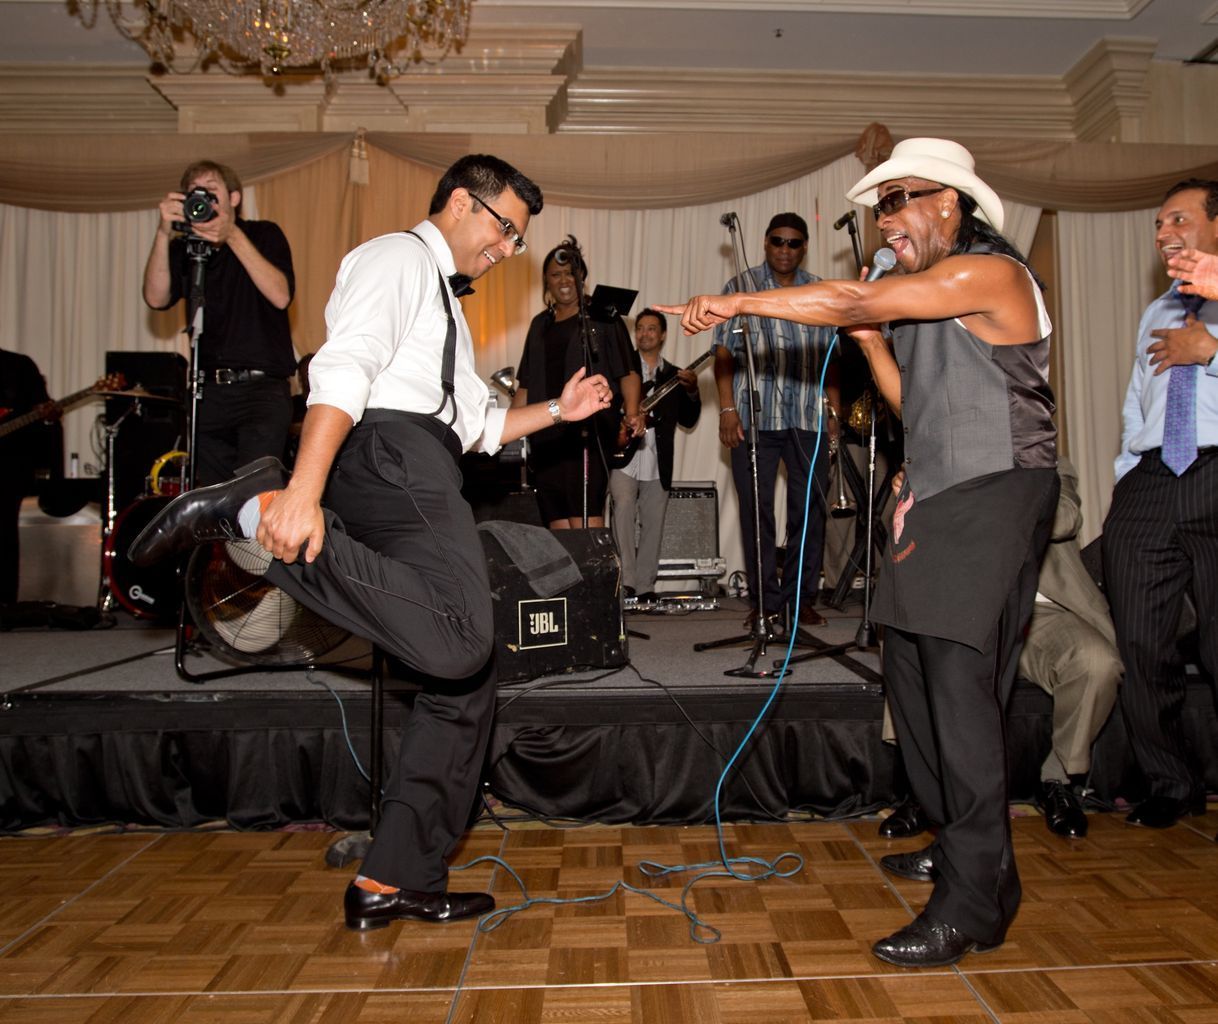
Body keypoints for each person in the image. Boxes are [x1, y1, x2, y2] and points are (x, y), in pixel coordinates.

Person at [129, 154, 615, 930]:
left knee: (466, 684)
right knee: (461, 640)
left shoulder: (447, 305)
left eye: (518, 241)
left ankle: (393, 878)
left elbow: (478, 429)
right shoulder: (396, 257)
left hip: (423, 458)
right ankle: (252, 512)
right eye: (506, 231)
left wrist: (560, 409)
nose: (508, 250)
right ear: (462, 203)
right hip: (393, 461)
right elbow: (343, 370)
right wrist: (299, 494)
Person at [659, 138, 1059, 968]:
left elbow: (841, 298)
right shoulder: (924, 296)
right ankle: (959, 846)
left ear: (949, 202)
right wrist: (876, 339)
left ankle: (977, 896)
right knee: (910, 680)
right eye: (878, 209)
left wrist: (743, 307)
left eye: (898, 201)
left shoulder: (991, 272)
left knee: (960, 693)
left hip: (997, 492)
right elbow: (917, 398)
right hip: (941, 493)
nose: (884, 222)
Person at [879, 457, 1121, 841]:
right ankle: (927, 791)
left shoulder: (1048, 461)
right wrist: (904, 496)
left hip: (1042, 612)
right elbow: (893, 527)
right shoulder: (942, 456)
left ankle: (1058, 780)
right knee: (913, 652)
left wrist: (991, 491)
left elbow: (1067, 518)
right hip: (968, 609)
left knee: (1098, 662)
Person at [1102, 179, 1218, 831]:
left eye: (1180, 217)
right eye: (1157, 223)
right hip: (1151, 476)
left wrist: (1212, 352)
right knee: (1142, 642)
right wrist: (1126, 477)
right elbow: (1136, 403)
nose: (1165, 231)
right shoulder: (1157, 311)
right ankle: (1172, 783)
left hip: (1217, 465)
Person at [712, 213, 838, 632]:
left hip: (808, 416)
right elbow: (724, 354)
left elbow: (831, 362)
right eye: (778, 241)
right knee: (756, 512)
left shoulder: (821, 292)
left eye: (794, 243)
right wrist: (728, 409)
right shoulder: (740, 288)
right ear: (766, 242)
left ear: (804, 247)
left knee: (809, 514)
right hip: (755, 418)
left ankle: (800, 602)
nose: (785, 249)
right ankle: (765, 601)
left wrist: (833, 413)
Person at [143, 160, 296, 487]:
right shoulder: (184, 247)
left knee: (255, 494)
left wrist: (231, 235)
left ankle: (251, 542)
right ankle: (220, 542)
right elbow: (156, 298)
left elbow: (281, 295)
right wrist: (162, 232)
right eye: (194, 195)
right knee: (210, 501)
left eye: (211, 192)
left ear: (234, 198)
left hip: (261, 390)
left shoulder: (263, 234)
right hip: (206, 391)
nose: (204, 202)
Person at [512, 242, 642, 529]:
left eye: (570, 273)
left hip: (588, 434)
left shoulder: (602, 317)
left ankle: (595, 576)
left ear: (582, 276)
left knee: (584, 519)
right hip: (545, 436)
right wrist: (506, 429)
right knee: (558, 523)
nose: (564, 280)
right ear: (546, 280)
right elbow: (526, 386)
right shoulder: (538, 325)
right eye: (556, 274)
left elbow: (628, 371)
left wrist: (632, 413)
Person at [608, 308, 701, 601]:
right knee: (621, 514)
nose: (644, 334)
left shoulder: (674, 375)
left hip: (658, 459)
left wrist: (693, 392)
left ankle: (646, 586)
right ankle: (627, 582)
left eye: (651, 329)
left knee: (653, 523)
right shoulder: (622, 368)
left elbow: (688, 419)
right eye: (640, 328)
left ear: (662, 335)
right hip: (624, 455)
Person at [0, 348, 60, 603]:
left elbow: (44, 412)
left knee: (3, 535)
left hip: (8, 467)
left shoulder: (19, 366)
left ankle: (4, 603)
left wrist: (47, 418)